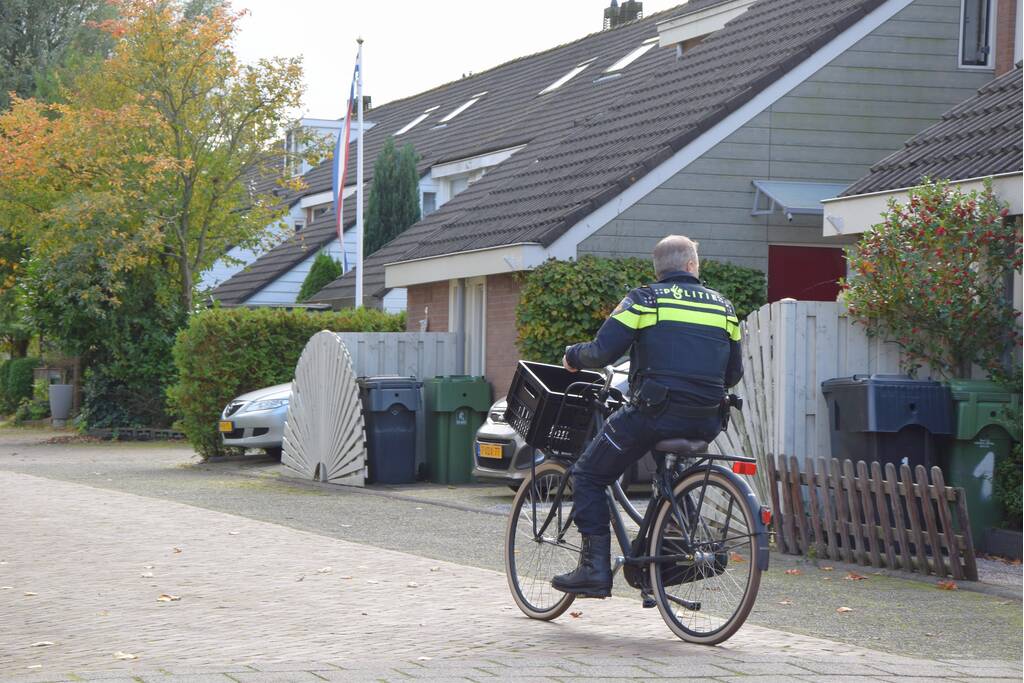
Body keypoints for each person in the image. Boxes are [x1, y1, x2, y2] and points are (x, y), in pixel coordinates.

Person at [551, 234, 743, 598]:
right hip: (707, 418)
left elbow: (601, 352)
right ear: (691, 266)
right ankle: (664, 549)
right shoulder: (724, 307)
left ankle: (593, 569)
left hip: (656, 413)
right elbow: (733, 374)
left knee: (588, 475)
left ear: (659, 269)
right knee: (668, 472)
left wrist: (572, 356)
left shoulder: (645, 299)